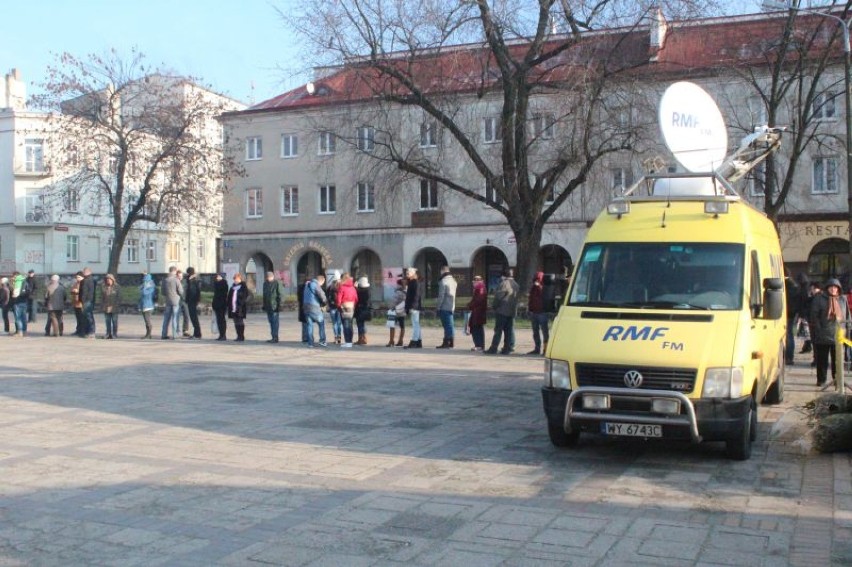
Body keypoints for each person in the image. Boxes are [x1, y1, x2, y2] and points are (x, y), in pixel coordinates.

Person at [810, 278, 849, 388]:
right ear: (827, 288)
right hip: (823, 334)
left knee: (837, 360)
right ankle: (821, 380)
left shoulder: (842, 299)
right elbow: (814, 315)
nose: (833, 289)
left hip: (838, 334)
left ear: (838, 289)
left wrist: (847, 330)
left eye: (835, 287)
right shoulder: (819, 299)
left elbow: (847, 315)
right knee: (822, 359)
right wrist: (819, 328)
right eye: (831, 287)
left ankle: (837, 380)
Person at [485, 268, 519, 355]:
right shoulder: (516, 284)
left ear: (504, 275)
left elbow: (498, 297)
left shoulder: (504, 284)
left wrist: (494, 306)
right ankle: (507, 348)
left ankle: (494, 347)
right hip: (512, 311)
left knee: (498, 330)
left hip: (502, 311)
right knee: (508, 331)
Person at [302, 273, 328, 348]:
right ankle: (322, 341)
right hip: (314, 307)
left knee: (309, 325)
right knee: (321, 323)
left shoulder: (307, 285)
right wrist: (325, 303)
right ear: (321, 281)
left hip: (306, 307)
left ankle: (310, 343)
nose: (322, 285)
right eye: (323, 283)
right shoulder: (316, 285)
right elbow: (322, 295)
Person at [435, 266, 457, 349]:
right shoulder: (454, 281)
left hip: (444, 306)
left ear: (442, 271)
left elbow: (441, 296)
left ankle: (447, 342)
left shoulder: (443, 281)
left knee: (446, 325)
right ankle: (451, 341)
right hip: (452, 306)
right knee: (450, 325)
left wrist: (438, 307)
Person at [527, 271, 549, 355]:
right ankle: (537, 348)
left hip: (542, 312)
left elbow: (545, 297)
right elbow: (531, 299)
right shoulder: (533, 288)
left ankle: (546, 349)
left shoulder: (544, 287)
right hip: (534, 312)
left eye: (538, 278)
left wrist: (539, 286)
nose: (536, 280)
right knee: (535, 332)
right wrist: (530, 309)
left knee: (545, 332)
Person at [262, 271, 285, 343]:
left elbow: (281, 295)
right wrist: (264, 305)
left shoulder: (277, 283)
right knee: (271, 321)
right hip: (268, 306)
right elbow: (264, 295)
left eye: (269, 277)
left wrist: (280, 305)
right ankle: (273, 336)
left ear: (272, 277)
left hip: (275, 306)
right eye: (267, 277)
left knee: (275, 322)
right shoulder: (265, 284)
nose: (268, 278)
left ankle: (275, 337)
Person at [336, 272, 358, 348]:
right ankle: (350, 342)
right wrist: (353, 305)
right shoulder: (353, 288)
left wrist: (339, 306)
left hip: (344, 306)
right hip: (351, 306)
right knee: (350, 324)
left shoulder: (342, 287)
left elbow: (339, 298)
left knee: (345, 325)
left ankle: (347, 342)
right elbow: (356, 298)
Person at [161, 266, 182, 339]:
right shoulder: (176, 280)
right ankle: (174, 335)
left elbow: (162, 292)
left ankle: (164, 334)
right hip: (176, 301)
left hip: (168, 301)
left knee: (166, 318)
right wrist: (179, 295)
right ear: (174, 271)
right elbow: (181, 291)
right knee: (175, 318)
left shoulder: (165, 280)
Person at [227, 273, 250, 341]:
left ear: (240, 279)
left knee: (240, 321)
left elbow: (246, 296)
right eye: (234, 279)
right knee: (235, 322)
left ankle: (241, 336)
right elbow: (229, 296)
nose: (235, 280)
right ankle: (238, 335)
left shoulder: (243, 287)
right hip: (233, 307)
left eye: (237, 279)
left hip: (240, 307)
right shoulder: (232, 287)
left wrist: (241, 302)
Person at [404, 268, 423, 349]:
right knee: (416, 324)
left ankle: (414, 341)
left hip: (414, 306)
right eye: (406, 273)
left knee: (415, 324)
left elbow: (416, 295)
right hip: (414, 306)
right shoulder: (412, 282)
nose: (407, 274)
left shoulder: (415, 282)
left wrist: (412, 306)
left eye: (409, 273)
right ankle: (418, 341)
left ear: (413, 273)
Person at [467, 275, 487, 351]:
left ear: (480, 281)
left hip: (478, 312)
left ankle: (479, 345)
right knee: (477, 328)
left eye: (476, 280)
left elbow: (478, 300)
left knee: (476, 329)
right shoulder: (478, 288)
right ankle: (479, 345)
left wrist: (470, 305)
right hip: (477, 312)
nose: (474, 281)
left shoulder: (480, 288)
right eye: (474, 279)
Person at [784, 274, 801, 366]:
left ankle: (788, 357)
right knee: (790, 334)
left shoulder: (787, 285)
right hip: (792, 313)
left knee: (788, 335)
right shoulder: (795, 285)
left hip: (787, 313)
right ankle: (789, 357)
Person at [100, 274, 120, 339]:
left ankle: (114, 334)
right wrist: (102, 305)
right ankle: (108, 333)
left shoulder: (117, 287)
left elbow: (119, 297)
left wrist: (117, 305)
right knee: (107, 321)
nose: (108, 280)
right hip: (106, 307)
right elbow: (101, 297)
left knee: (114, 321)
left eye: (109, 279)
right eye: (107, 279)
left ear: (112, 280)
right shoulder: (103, 287)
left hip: (114, 307)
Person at [184, 267, 202, 339]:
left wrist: (197, 300)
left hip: (193, 300)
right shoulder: (190, 280)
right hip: (190, 300)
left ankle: (197, 334)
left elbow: (196, 291)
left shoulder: (195, 280)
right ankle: (197, 333)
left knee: (194, 317)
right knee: (192, 317)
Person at [388, 278, 406, 347]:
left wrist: (390, 308)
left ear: (398, 284)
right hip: (403, 311)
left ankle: (391, 341)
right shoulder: (405, 291)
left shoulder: (398, 292)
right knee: (402, 326)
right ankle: (400, 341)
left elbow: (393, 302)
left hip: (395, 311)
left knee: (392, 325)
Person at [326, 270, 343, 345]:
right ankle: (339, 337)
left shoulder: (330, 287)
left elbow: (327, 297)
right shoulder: (341, 286)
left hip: (332, 307)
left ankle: (335, 337)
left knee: (334, 323)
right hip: (340, 307)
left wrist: (328, 305)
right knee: (339, 323)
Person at [139, 273, 157, 339]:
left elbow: (145, 293)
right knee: (146, 321)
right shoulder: (145, 285)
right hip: (144, 305)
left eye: (144, 279)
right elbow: (141, 295)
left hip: (148, 306)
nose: (143, 280)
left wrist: (144, 287)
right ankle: (148, 334)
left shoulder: (151, 286)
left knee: (147, 320)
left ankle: (149, 334)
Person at [11, 271, 29, 337]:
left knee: (18, 318)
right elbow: (28, 291)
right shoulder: (25, 282)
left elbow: (14, 292)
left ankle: (20, 332)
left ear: (15, 276)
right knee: (23, 318)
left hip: (17, 302)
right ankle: (24, 332)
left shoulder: (17, 282)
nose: (13, 278)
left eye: (13, 276)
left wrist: (12, 283)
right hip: (24, 302)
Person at [355, 276, 372, 345]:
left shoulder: (360, 292)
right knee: (363, 325)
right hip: (366, 309)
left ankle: (361, 339)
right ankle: (363, 338)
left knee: (360, 324)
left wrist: (355, 288)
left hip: (360, 309)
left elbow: (358, 298)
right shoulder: (368, 291)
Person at [212, 272, 229, 340]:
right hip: (216, 304)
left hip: (222, 304)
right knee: (218, 320)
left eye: (219, 276)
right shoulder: (216, 284)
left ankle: (223, 335)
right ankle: (220, 334)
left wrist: (217, 283)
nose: (217, 278)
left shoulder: (224, 284)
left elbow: (222, 294)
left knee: (222, 320)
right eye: (217, 276)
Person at [80, 267, 96, 338]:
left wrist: (84, 300)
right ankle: (88, 331)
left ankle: (91, 332)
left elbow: (86, 292)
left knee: (88, 317)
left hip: (87, 301)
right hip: (88, 300)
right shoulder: (90, 280)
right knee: (87, 317)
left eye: (84, 271)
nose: (83, 273)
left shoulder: (88, 280)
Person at [296, 275, 310, 343]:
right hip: (308, 307)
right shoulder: (310, 287)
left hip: (302, 307)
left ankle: (304, 337)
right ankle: (309, 337)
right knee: (308, 323)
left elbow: (298, 298)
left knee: (304, 324)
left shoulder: (300, 287)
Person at [70, 271, 85, 336]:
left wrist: (77, 291)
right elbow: (71, 291)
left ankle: (82, 331)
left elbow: (84, 292)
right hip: (75, 303)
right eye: (76, 277)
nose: (77, 278)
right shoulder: (76, 283)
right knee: (78, 318)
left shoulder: (84, 283)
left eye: (79, 277)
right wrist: (73, 291)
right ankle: (78, 330)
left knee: (82, 318)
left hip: (81, 304)